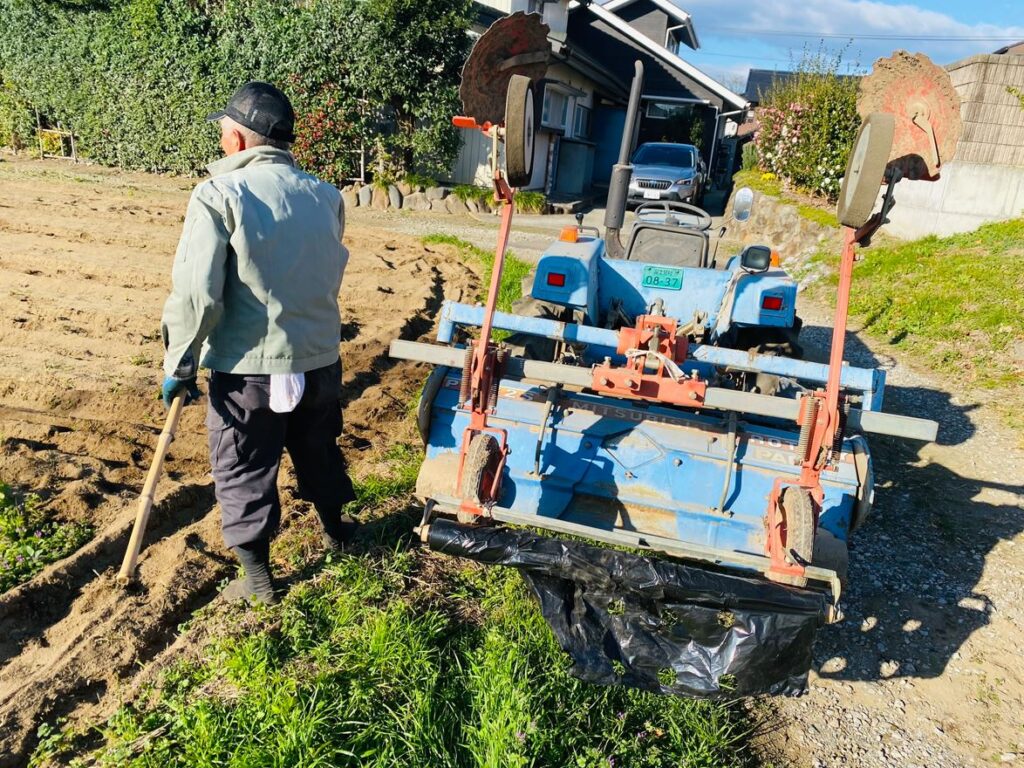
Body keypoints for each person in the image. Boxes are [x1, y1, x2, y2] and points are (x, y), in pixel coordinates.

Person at [159, 81, 357, 604]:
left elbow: (198, 294)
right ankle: (338, 533)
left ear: (239, 141)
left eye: (224, 132)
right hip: (319, 359)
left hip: (249, 369)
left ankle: (259, 581)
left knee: (243, 463)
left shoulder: (218, 194)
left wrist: (180, 362)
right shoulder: (327, 196)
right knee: (318, 447)